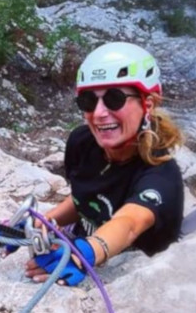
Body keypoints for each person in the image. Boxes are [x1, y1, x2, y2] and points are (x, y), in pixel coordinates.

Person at [25, 42, 185, 286]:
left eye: (114, 98)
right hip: (82, 245)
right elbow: (87, 198)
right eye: (88, 101)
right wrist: (44, 222)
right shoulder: (82, 143)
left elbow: (129, 223)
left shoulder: (161, 176)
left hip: (134, 280)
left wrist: (83, 255)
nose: (99, 113)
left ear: (147, 104)